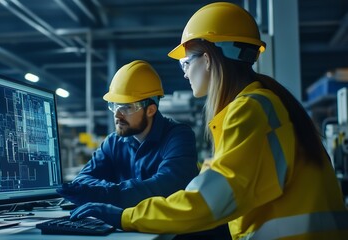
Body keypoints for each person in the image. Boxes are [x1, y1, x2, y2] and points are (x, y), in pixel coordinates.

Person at [69, 2, 348, 239]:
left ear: (208, 59)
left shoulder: (250, 110)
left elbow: (206, 202)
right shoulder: (263, 102)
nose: (185, 73)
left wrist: (125, 217)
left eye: (185, 63)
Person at [57, 60, 199, 209]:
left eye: (126, 107)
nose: (117, 114)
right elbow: (81, 181)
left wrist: (106, 192)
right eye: (114, 105)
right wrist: (115, 192)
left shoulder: (178, 136)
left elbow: (168, 186)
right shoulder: (113, 143)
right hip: (126, 227)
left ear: (150, 110)